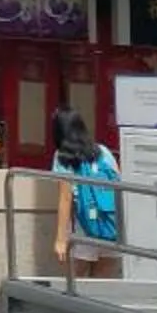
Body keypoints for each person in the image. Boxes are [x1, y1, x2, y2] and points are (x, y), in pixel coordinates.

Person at [50, 108, 124, 280]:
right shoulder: (104, 152)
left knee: (76, 284)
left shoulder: (63, 157)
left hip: (83, 228)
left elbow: (65, 198)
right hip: (111, 227)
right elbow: (119, 186)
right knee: (102, 288)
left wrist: (60, 239)